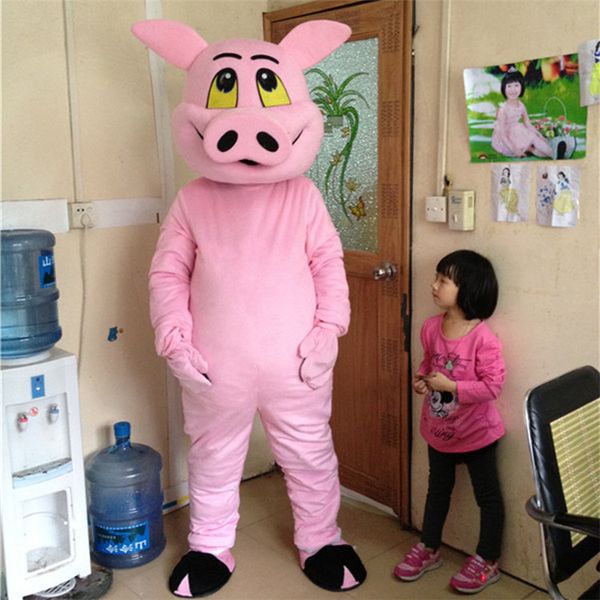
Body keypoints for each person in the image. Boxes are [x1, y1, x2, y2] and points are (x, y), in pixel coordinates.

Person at [394, 250, 505, 594]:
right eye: (437, 277)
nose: (434, 285)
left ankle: (487, 558)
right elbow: (428, 365)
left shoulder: (482, 337)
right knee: (437, 491)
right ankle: (429, 548)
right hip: (439, 430)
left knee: (487, 497)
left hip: (478, 434)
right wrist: (421, 379)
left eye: (444, 280)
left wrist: (452, 386)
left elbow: (493, 386)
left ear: (468, 288)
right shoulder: (430, 327)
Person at [492, 67, 552, 158]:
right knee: (528, 147)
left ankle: (553, 153)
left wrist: (539, 135)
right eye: (509, 86)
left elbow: (527, 123)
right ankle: (550, 153)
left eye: (516, 85)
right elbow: (503, 134)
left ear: (521, 87)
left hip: (516, 130)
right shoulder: (502, 110)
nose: (513, 90)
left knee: (535, 138)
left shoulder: (521, 105)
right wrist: (515, 150)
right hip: (505, 137)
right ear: (504, 88)